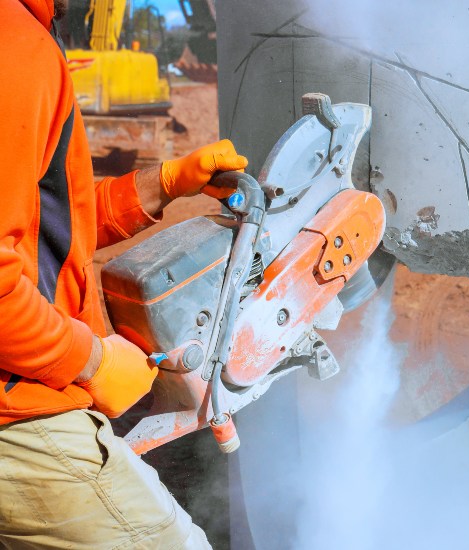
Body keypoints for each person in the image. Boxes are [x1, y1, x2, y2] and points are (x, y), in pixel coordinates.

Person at [0, 0, 248, 547]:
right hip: (17, 411)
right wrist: (92, 361)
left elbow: (43, 226)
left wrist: (166, 182)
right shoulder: (15, 45)